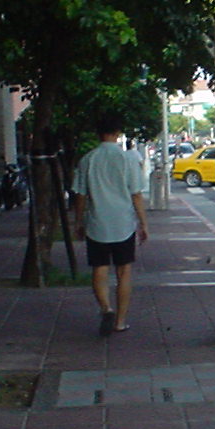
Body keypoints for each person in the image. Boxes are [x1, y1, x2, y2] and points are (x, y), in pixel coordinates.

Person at [71, 115, 149, 336]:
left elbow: (80, 195)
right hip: (123, 223)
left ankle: (106, 308)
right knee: (124, 271)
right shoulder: (127, 159)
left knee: (100, 269)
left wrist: (78, 221)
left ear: (98, 133)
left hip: (97, 223)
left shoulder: (87, 159)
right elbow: (136, 194)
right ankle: (120, 322)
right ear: (117, 133)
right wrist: (143, 224)